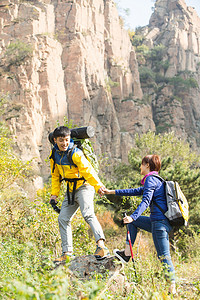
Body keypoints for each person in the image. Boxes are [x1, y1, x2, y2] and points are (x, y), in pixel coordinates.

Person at [103, 154, 176, 295]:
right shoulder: (156, 180)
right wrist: (111, 192)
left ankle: (172, 288)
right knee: (135, 223)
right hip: (159, 222)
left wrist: (133, 216)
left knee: (164, 255)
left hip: (159, 223)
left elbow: (146, 201)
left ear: (147, 165)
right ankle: (126, 253)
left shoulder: (150, 179)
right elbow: (134, 191)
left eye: (142, 164)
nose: (140, 167)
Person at [49, 126, 109, 262]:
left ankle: (101, 246)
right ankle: (67, 252)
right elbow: (55, 175)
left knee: (88, 214)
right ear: (55, 140)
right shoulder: (54, 154)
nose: (64, 143)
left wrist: (98, 186)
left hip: (85, 187)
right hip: (70, 190)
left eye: (66, 140)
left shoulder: (75, 153)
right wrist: (54, 194)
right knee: (63, 218)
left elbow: (88, 170)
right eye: (61, 140)